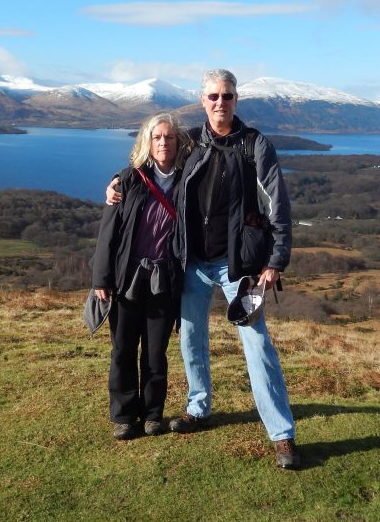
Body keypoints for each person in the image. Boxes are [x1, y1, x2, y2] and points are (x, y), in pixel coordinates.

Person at [105, 69, 300, 468]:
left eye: (226, 96)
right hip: (191, 262)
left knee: (257, 344)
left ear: (236, 99)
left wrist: (276, 259)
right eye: (213, 96)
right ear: (202, 99)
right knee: (190, 339)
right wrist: (116, 183)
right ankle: (198, 407)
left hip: (238, 266)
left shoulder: (254, 145)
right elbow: (150, 163)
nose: (220, 103)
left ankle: (282, 435)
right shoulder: (191, 141)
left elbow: (277, 204)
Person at [91, 112, 191, 440]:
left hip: (165, 279)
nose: (163, 143)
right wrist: (101, 279)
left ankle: (152, 414)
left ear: (179, 143)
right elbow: (109, 233)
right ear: (147, 142)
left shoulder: (189, 181)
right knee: (122, 349)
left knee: (155, 352)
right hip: (127, 278)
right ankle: (123, 416)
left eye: (169, 137)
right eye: (157, 137)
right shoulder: (128, 180)